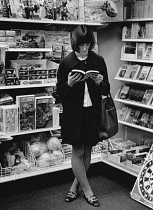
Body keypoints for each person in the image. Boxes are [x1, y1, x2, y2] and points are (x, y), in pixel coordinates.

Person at [56, 24, 110, 207]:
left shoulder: (98, 60)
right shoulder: (66, 62)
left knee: (88, 150)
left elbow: (106, 89)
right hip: (74, 113)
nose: (85, 48)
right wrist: (69, 84)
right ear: (75, 43)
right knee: (77, 151)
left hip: (92, 112)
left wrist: (99, 82)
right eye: (81, 45)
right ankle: (88, 191)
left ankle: (74, 187)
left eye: (88, 45)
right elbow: (59, 93)